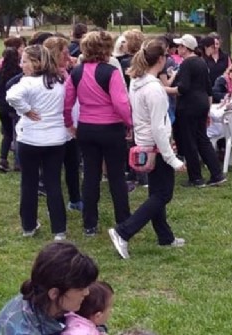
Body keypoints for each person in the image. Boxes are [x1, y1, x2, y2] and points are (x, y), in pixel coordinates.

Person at [108, 40, 187, 259]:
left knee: (156, 192)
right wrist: (173, 159)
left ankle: (165, 236)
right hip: (155, 145)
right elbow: (159, 127)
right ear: (161, 60)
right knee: (163, 194)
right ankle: (123, 231)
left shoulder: (137, 81)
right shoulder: (154, 89)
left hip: (145, 143)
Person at [63, 31, 132, 237]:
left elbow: (67, 102)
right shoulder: (111, 72)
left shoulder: (76, 72)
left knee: (91, 175)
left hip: (86, 128)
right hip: (111, 129)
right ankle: (123, 221)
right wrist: (129, 123)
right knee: (116, 176)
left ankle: (89, 224)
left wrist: (70, 124)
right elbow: (121, 103)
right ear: (107, 49)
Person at [6, 44, 68, 241]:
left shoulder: (28, 83)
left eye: (24, 61)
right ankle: (59, 229)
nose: (21, 64)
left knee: (29, 183)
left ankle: (28, 226)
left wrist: (24, 109)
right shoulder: (58, 81)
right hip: (55, 139)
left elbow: (11, 95)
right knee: (53, 183)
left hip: (30, 139)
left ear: (36, 63)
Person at [0, 242, 99, 334]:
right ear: (54, 293)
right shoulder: (24, 329)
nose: (86, 293)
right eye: (80, 289)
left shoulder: (47, 303)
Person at [168, 34, 226, 188]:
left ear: (185, 48)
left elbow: (183, 88)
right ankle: (217, 174)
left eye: (180, 46)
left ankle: (196, 178)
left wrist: (164, 89)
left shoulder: (187, 63)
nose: (177, 49)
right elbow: (208, 89)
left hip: (188, 106)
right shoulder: (201, 62)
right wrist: (207, 110)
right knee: (202, 139)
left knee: (189, 141)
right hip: (202, 105)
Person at [44, 36, 83, 212]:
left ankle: (75, 198)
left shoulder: (66, 72)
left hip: (70, 127)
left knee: (72, 163)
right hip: (55, 127)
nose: (69, 57)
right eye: (65, 53)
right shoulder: (46, 77)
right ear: (54, 54)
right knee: (54, 167)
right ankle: (54, 202)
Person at [0, 48, 22, 173]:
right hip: (16, 107)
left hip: (3, 107)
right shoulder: (20, 74)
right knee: (18, 134)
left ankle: (3, 159)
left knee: (7, 134)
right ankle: (18, 162)